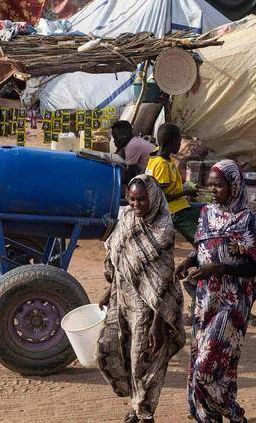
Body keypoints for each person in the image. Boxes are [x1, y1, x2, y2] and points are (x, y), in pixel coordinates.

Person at [177, 160, 256, 423]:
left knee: (206, 368)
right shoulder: (206, 213)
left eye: (219, 185)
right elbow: (201, 248)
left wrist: (219, 268)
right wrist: (189, 261)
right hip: (206, 300)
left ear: (234, 186)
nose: (213, 190)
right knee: (218, 367)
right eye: (210, 185)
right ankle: (210, 416)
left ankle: (233, 413)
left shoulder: (246, 220)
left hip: (232, 303)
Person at [96, 175, 186, 423]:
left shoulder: (163, 230)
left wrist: (158, 323)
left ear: (153, 199)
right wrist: (109, 291)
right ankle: (137, 403)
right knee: (108, 350)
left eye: (142, 199)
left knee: (143, 361)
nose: (135, 204)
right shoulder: (127, 219)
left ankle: (145, 413)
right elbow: (119, 258)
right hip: (122, 298)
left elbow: (163, 280)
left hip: (149, 308)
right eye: (132, 199)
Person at [146, 123, 199, 243]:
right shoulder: (162, 165)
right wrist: (186, 192)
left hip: (177, 205)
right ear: (172, 142)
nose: (180, 145)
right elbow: (162, 198)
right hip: (172, 210)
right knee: (199, 234)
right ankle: (201, 246)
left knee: (205, 209)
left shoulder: (158, 155)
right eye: (179, 142)